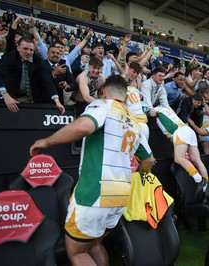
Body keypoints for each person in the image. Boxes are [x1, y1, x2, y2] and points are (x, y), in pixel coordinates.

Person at [29, 74, 155, 266]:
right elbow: (149, 161)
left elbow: (85, 126)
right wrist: (140, 174)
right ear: (127, 96)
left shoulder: (102, 105)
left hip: (94, 193)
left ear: (103, 92)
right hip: (120, 196)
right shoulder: (135, 122)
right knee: (94, 245)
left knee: (77, 252)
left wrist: (47, 141)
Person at [0, 36, 65, 113]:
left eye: (31, 50)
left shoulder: (37, 59)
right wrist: (5, 95)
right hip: (9, 96)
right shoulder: (10, 57)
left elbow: (47, 80)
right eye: (25, 49)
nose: (28, 52)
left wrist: (57, 101)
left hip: (28, 98)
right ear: (18, 48)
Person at [154, 105, 209, 196]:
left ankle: (199, 179)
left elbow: (150, 113)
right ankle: (206, 186)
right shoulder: (167, 107)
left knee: (178, 158)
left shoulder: (155, 109)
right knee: (197, 160)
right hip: (187, 130)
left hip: (179, 131)